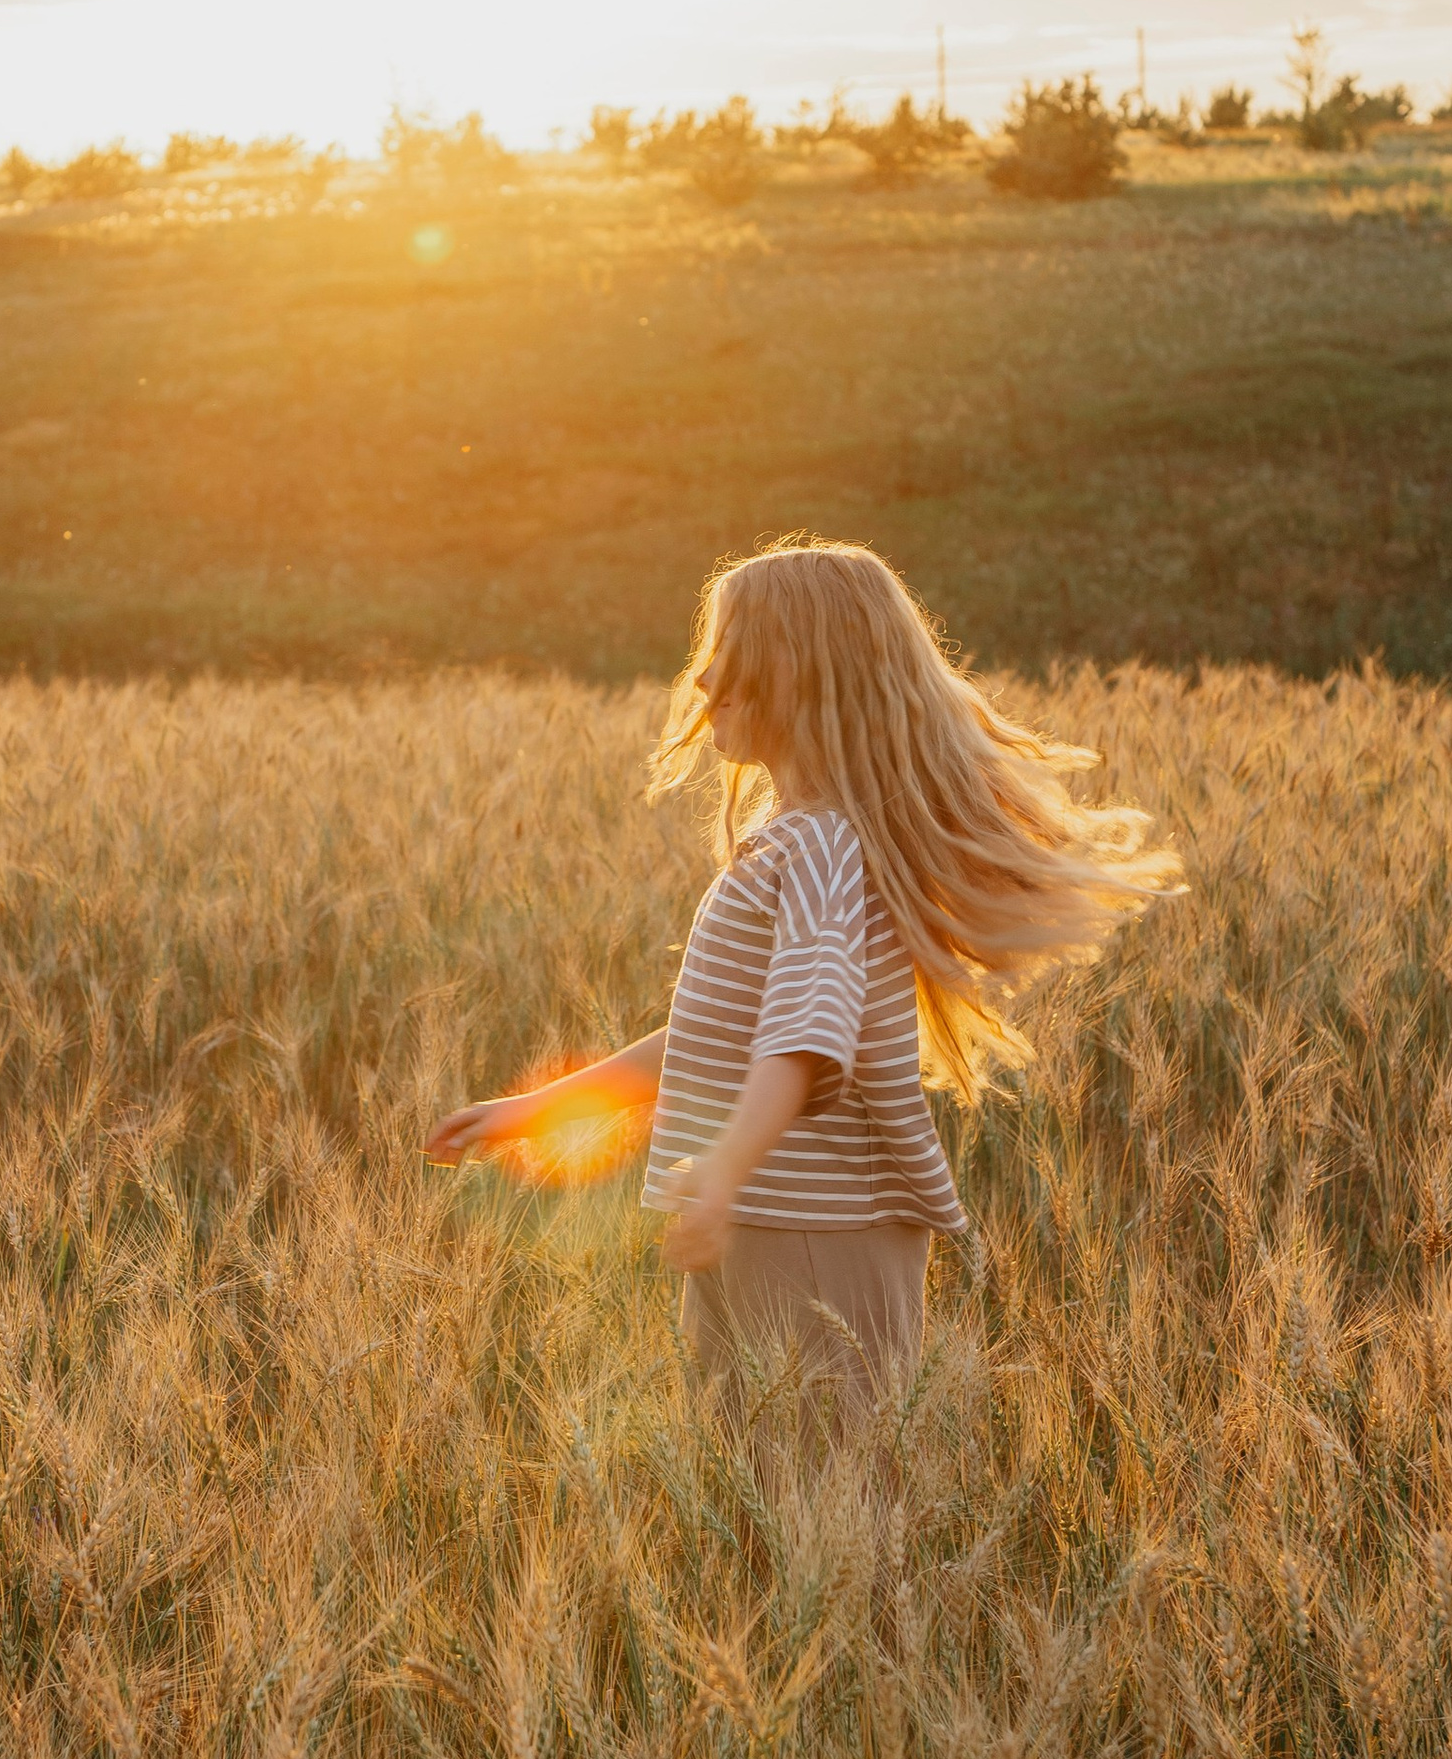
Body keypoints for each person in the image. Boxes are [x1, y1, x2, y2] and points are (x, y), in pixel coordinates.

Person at [426, 537, 1180, 1420]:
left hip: (812, 1234)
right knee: (772, 1503)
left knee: (830, 1505)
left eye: (728, 659)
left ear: (798, 678)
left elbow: (802, 1039)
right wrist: (535, 1111)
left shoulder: (822, 848)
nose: (703, 684)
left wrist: (725, 1171)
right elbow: (723, 1040)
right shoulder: (796, 843)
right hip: (759, 1222)